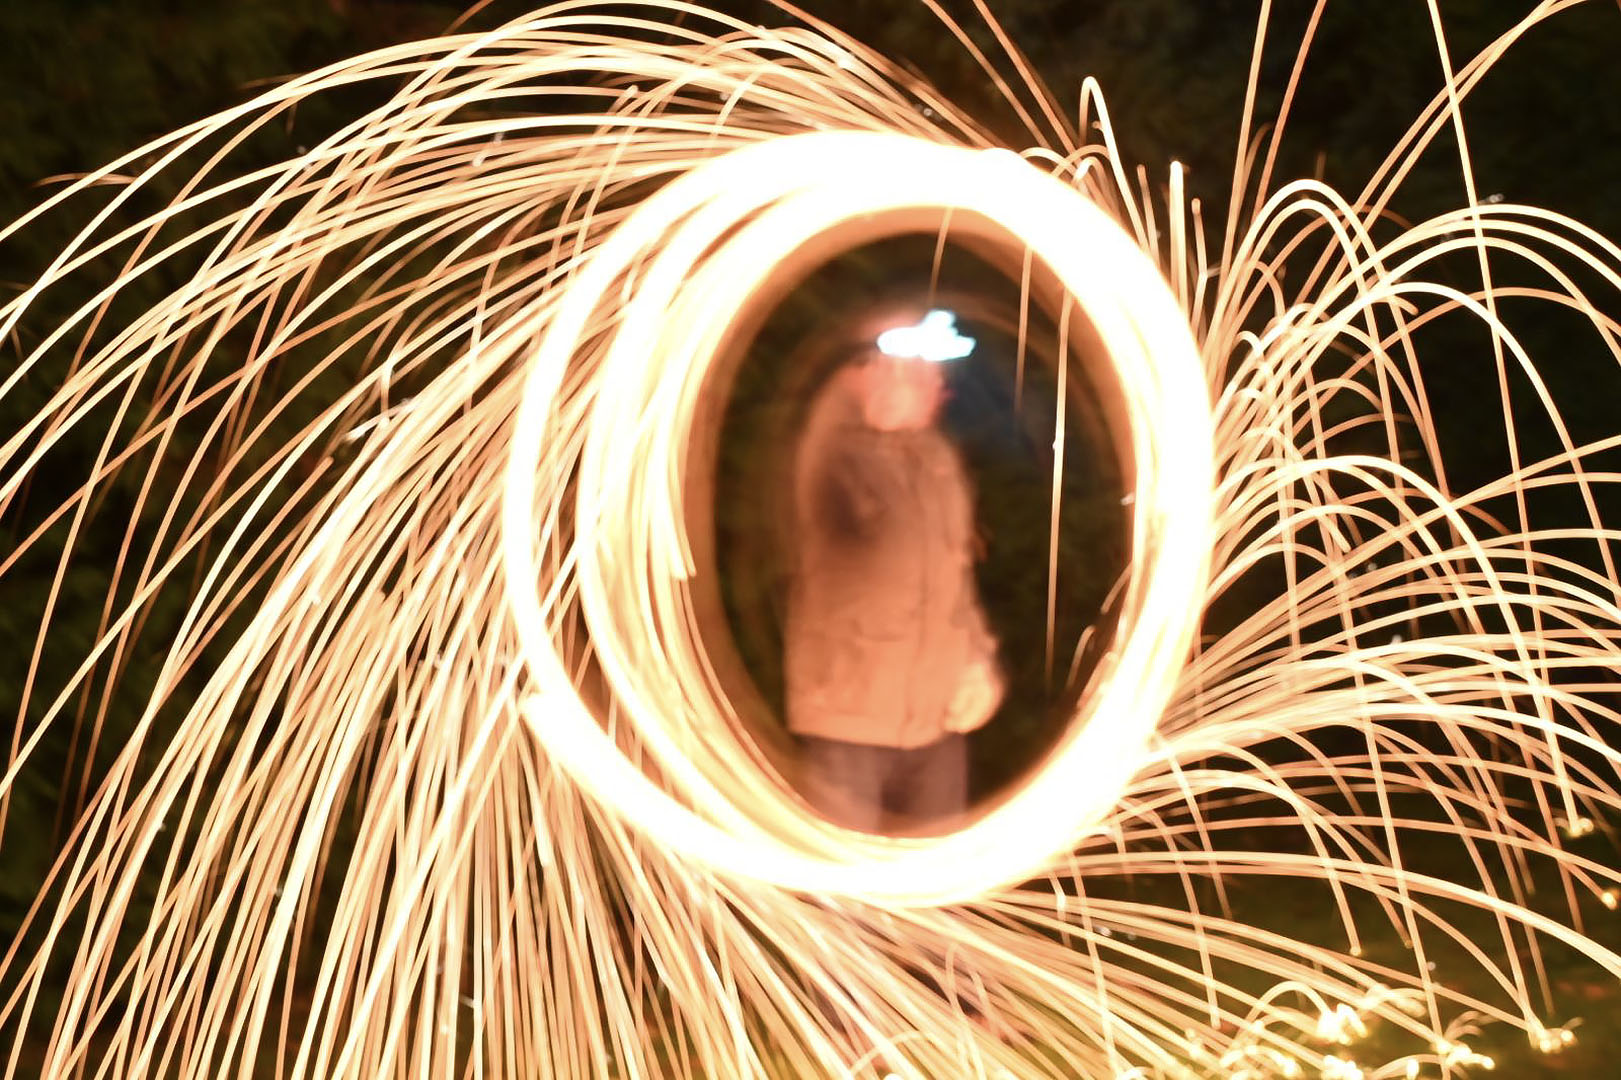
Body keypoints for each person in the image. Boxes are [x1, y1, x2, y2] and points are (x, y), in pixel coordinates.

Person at [784, 311, 1005, 833]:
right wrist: (865, 374)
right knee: (841, 897)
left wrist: (977, 662)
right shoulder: (832, 456)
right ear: (885, 377)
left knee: (934, 893)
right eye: (927, 372)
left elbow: (957, 582)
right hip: (849, 723)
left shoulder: (938, 461)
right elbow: (833, 407)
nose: (941, 388)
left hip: (936, 726)